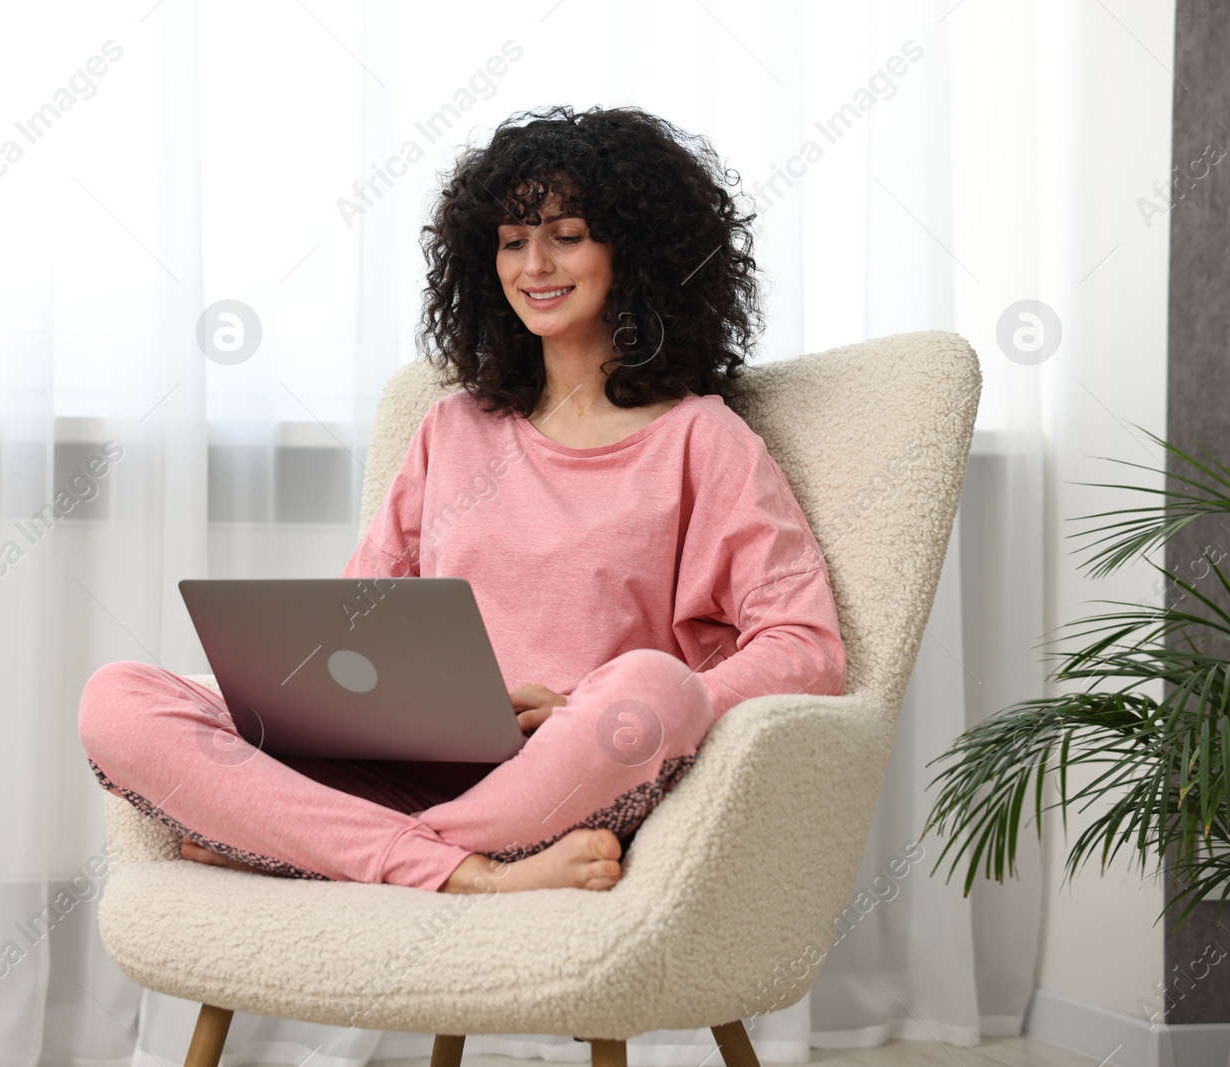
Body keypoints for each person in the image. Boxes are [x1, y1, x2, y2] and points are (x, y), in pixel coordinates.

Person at [79, 105, 845, 894]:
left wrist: (586, 706)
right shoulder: (450, 428)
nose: (534, 265)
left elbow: (808, 648)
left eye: (567, 235)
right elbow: (357, 621)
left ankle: (315, 848)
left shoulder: (701, 441)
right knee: (118, 697)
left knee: (651, 686)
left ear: (637, 251)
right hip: (403, 760)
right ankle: (453, 870)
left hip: (562, 772)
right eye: (512, 242)